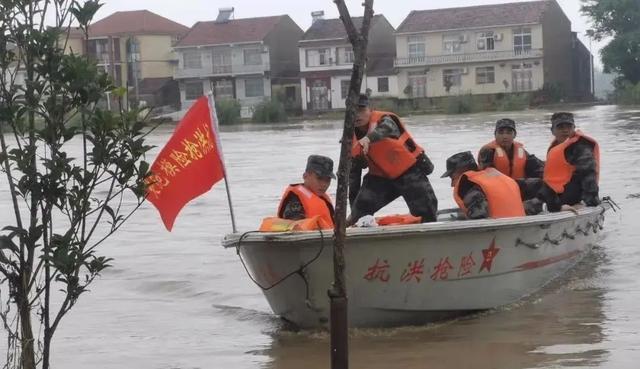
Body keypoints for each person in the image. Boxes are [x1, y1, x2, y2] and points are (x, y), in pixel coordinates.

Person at [348, 94, 437, 224]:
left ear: (371, 109)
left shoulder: (384, 120)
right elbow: (353, 176)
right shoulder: (349, 139)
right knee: (359, 212)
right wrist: (354, 210)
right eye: (352, 111)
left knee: (426, 213)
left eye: (361, 110)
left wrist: (368, 139)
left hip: (409, 172)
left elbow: (388, 128)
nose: (357, 115)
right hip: (379, 178)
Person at [538, 112, 600, 212]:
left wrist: (591, 203)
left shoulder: (581, 147)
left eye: (569, 126)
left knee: (543, 191)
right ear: (552, 131)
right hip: (556, 192)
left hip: (573, 193)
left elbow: (588, 174)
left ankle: (555, 207)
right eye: (560, 127)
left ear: (574, 128)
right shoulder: (555, 147)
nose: (565, 130)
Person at [441, 151, 530, 219]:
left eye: (452, 177)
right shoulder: (498, 178)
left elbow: (479, 216)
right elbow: (537, 184)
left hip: (498, 233)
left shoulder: (468, 185)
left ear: (462, 170)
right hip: (520, 227)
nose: (452, 184)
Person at [278, 155, 335, 226]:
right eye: (319, 178)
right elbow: (294, 230)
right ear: (305, 176)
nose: (324, 184)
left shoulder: (322, 198)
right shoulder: (295, 199)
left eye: (327, 180)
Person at [478, 118, 544, 179]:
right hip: (497, 185)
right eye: (501, 133)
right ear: (495, 135)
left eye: (508, 133)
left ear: (514, 135)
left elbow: (538, 165)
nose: (505, 136)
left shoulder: (521, 151)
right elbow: (486, 175)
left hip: (518, 184)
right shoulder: (487, 151)